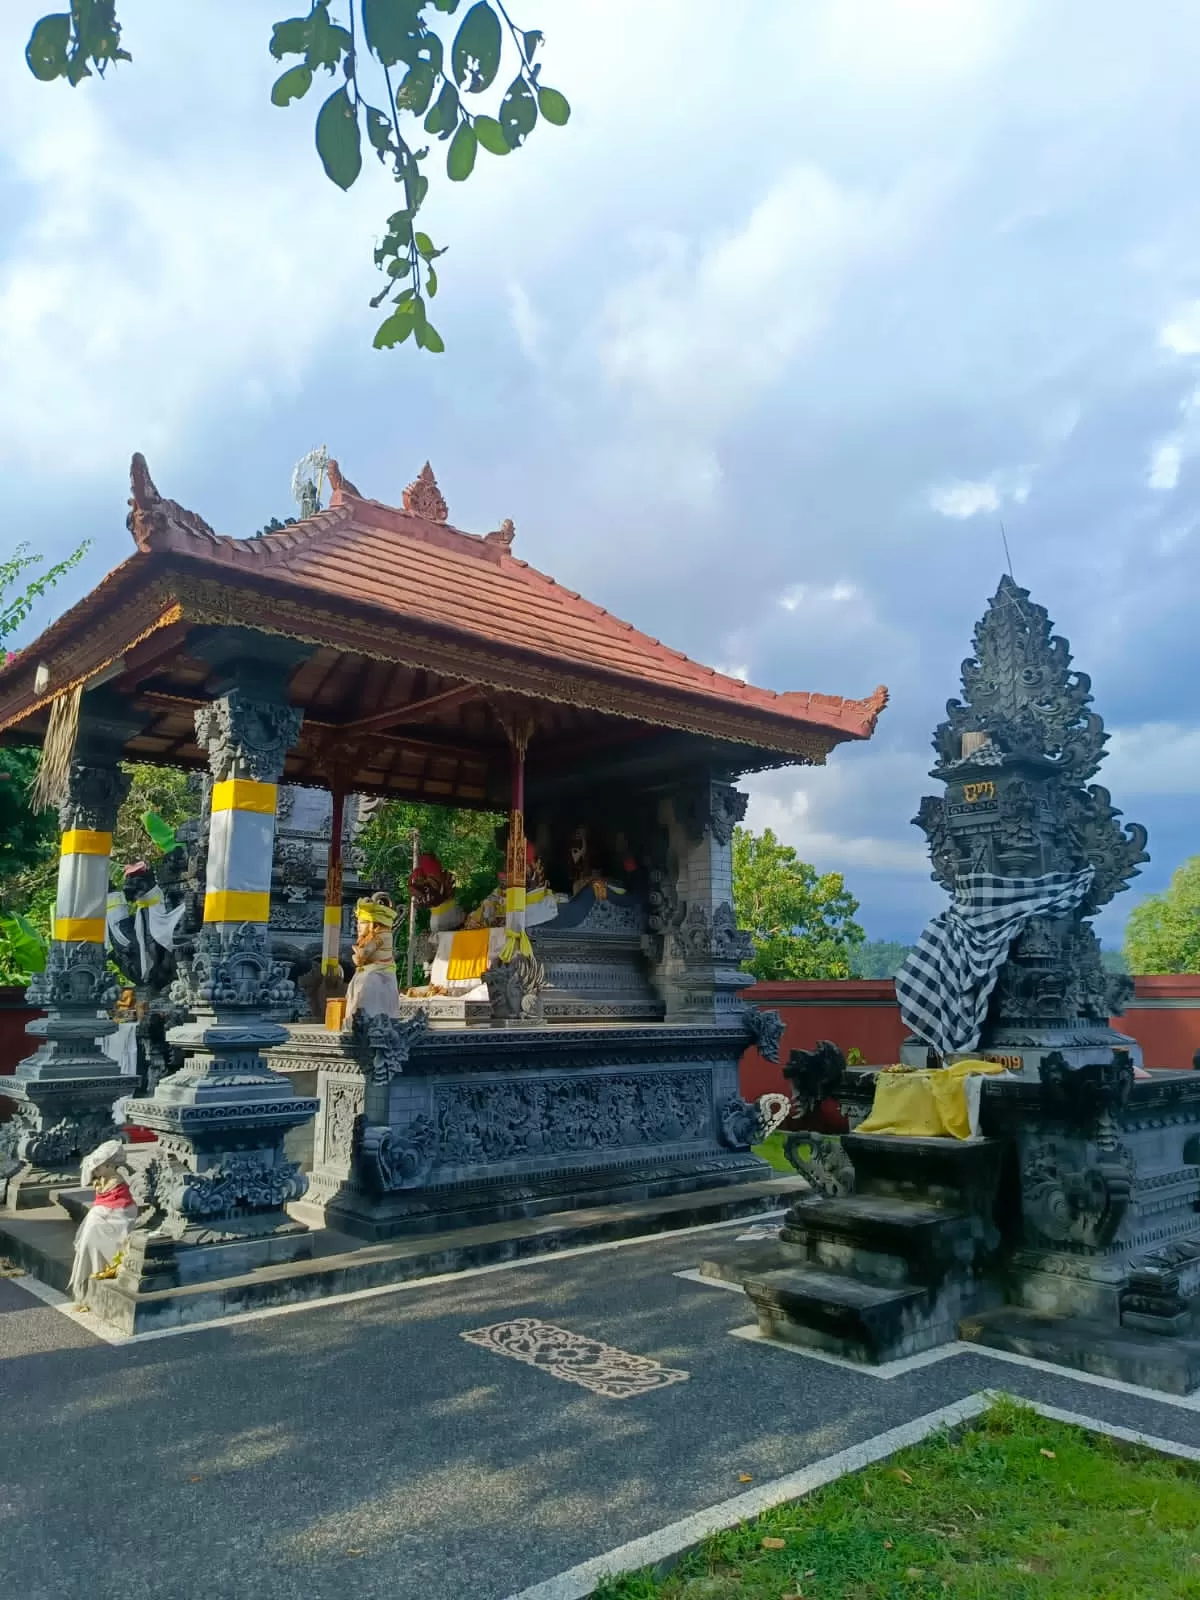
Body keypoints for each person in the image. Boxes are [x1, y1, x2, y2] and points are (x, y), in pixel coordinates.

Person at [70, 1140, 139, 1311]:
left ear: (109, 1165)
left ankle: (99, 1272)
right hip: (103, 1215)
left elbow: (121, 1208)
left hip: (118, 1217)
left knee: (92, 1233)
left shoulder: (116, 1180)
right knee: (88, 1237)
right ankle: (87, 1281)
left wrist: (100, 1212)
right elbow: (99, 1198)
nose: (96, 1171)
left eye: (98, 1167)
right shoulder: (103, 1178)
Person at [344, 894, 402, 1026]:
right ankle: (355, 1021)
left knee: (366, 980)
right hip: (371, 970)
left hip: (381, 973)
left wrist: (357, 955)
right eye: (358, 923)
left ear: (373, 923)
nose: (358, 926)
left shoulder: (383, 934)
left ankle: (370, 1022)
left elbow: (363, 955)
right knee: (360, 979)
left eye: (363, 923)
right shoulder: (371, 936)